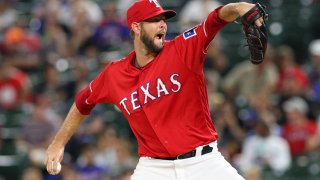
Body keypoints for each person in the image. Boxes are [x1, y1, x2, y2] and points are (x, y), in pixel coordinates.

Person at [45, 0, 266, 179]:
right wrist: (57, 144)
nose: (163, 24)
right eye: (155, 20)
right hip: (154, 169)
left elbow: (215, 19)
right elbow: (83, 103)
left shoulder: (182, 49)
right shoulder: (114, 74)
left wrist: (238, 7)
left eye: (164, 19)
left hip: (203, 162)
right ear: (136, 27)